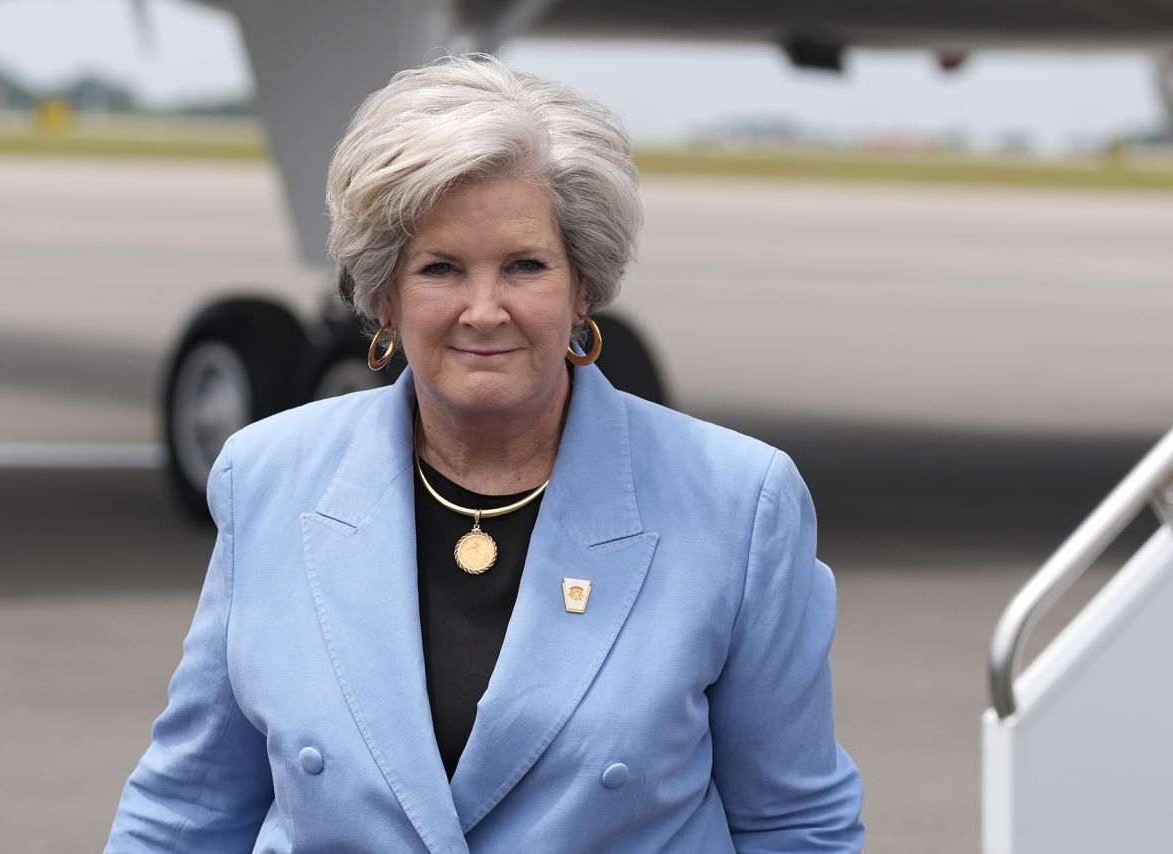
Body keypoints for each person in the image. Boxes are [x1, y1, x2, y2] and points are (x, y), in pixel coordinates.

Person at [106, 54, 863, 853]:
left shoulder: (741, 504)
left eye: (525, 266)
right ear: (385, 298)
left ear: (583, 288)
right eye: (440, 268)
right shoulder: (268, 478)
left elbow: (795, 827)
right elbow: (186, 811)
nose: (483, 309)